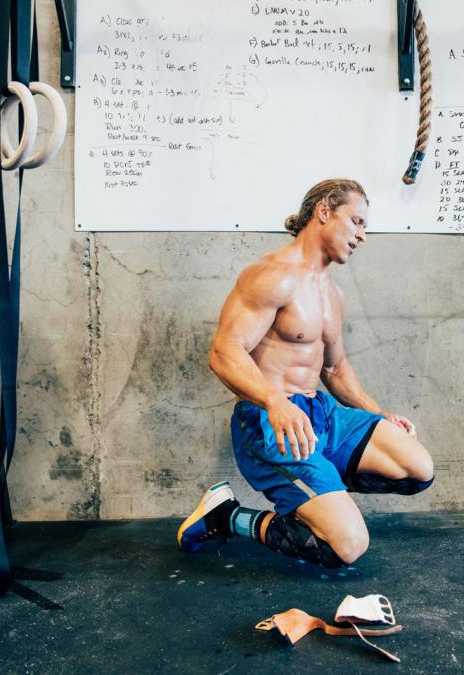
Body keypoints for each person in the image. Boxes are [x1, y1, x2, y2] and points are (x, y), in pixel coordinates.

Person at [177, 179, 434, 568]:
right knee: (346, 546)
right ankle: (225, 516)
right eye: (357, 221)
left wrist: (379, 414)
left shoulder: (333, 294)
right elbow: (223, 352)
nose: (362, 236)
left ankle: (321, 491)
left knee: (417, 468)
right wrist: (274, 401)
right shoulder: (272, 275)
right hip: (270, 421)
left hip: (322, 415)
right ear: (325, 212)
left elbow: (334, 367)